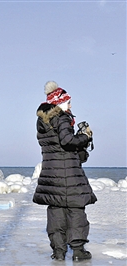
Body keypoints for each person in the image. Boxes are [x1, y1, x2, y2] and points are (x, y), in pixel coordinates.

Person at [33, 81, 97, 261]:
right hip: (68, 173)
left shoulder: (43, 121)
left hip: (51, 174)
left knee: (56, 211)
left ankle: (59, 251)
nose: (70, 106)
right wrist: (84, 136)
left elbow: (57, 143)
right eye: (68, 102)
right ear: (60, 103)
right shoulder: (62, 118)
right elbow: (67, 141)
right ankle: (77, 251)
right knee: (75, 209)